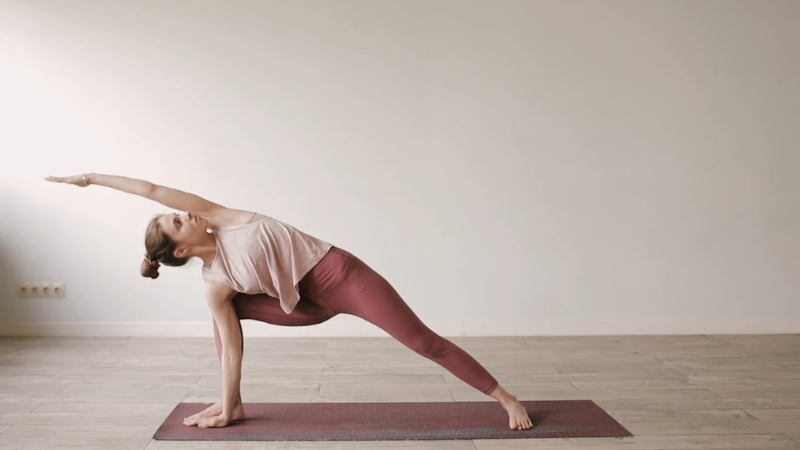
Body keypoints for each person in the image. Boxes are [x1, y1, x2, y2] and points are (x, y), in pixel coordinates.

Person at [45, 173, 533, 430]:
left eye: (176, 213)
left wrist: (90, 178)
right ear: (181, 250)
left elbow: (150, 188)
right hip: (302, 305)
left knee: (422, 341)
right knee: (224, 313)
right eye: (177, 221)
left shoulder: (220, 215)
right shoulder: (217, 282)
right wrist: (229, 394)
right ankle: (231, 405)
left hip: (341, 276)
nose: (184, 212)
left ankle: (505, 397)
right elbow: (232, 349)